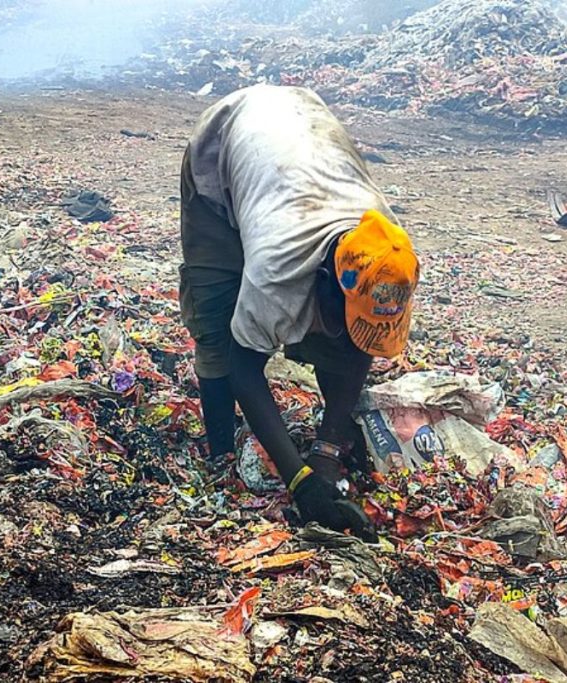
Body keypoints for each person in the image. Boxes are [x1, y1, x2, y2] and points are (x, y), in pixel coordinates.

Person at [178, 85, 419, 537]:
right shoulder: (279, 269)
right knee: (215, 325)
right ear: (323, 282)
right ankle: (218, 452)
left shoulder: (387, 256)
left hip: (303, 132)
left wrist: (326, 453)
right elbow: (243, 368)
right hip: (222, 154)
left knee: (346, 334)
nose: (353, 332)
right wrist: (300, 481)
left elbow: (359, 346)